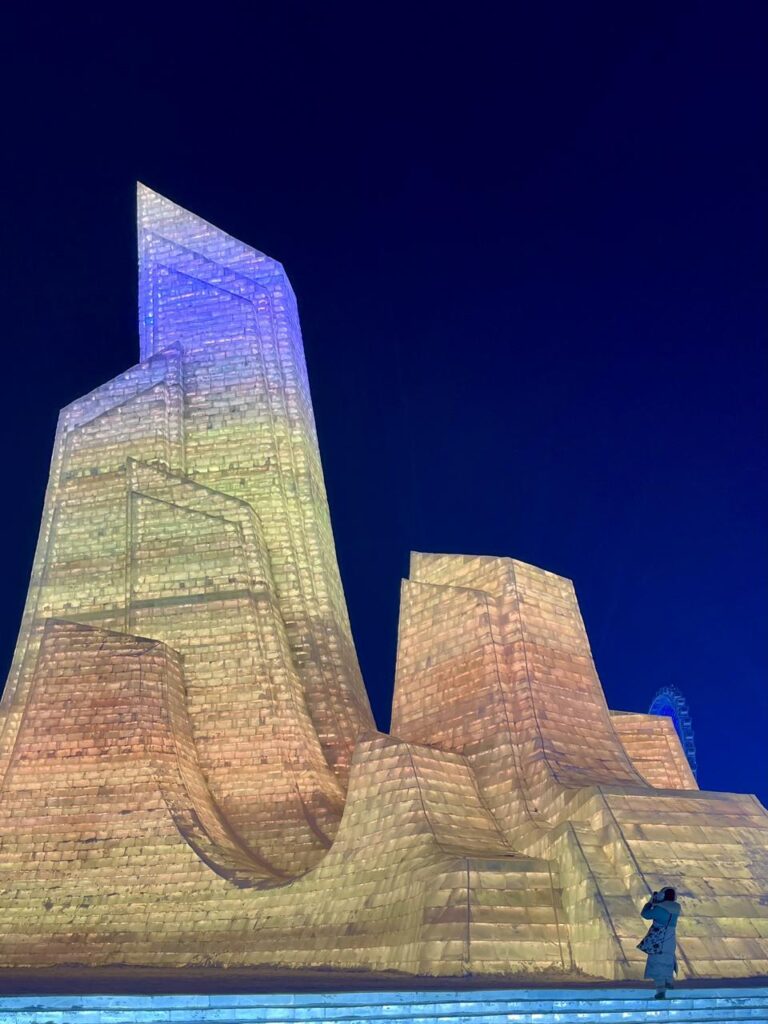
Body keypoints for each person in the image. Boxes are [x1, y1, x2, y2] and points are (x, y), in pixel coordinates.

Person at [638, 887, 681, 999]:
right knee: (668, 962)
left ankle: (660, 990)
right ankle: (669, 982)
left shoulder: (660, 908)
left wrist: (651, 902)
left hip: (658, 941)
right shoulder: (676, 907)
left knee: (657, 964)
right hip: (670, 940)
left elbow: (645, 914)